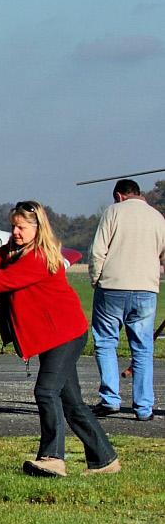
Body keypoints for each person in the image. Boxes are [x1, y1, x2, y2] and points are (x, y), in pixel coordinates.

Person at [0, 201, 119, 477]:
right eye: (14, 226)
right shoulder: (17, 250)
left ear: (37, 229)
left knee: (46, 391)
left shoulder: (37, 257)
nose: (15, 231)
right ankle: (105, 459)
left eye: (21, 227)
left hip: (65, 335)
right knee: (72, 403)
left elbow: (2, 281)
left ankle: (52, 458)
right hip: (53, 336)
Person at [87, 179, 165, 422]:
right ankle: (143, 407)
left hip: (112, 287)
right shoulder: (157, 217)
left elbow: (98, 250)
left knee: (106, 342)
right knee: (143, 348)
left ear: (119, 196)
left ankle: (111, 399)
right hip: (146, 289)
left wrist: (95, 279)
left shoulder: (112, 212)